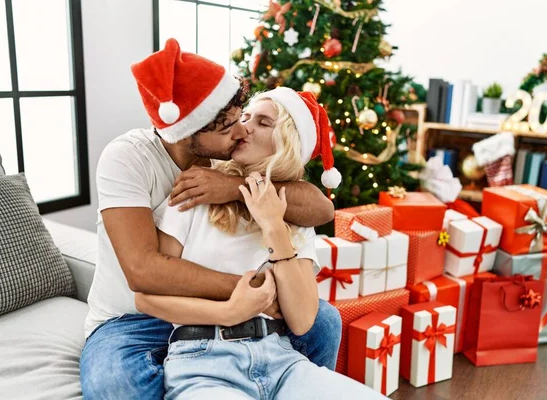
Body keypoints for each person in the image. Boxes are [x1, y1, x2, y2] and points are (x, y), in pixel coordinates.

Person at [80, 38, 342, 399]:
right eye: (229, 126)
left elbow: (321, 209)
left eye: (244, 118)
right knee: (116, 383)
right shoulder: (129, 157)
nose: (242, 131)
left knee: (324, 322)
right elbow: (143, 273)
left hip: (223, 312)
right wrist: (255, 293)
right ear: (190, 130)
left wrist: (233, 187)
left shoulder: (228, 161)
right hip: (132, 319)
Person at [137, 87, 385, 399]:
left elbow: (303, 320)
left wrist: (272, 225)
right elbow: (147, 299)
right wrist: (228, 312)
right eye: (244, 117)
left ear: (287, 144)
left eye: (263, 123)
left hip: (282, 363)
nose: (243, 127)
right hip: (203, 365)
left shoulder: (295, 217)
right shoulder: (198, 193)